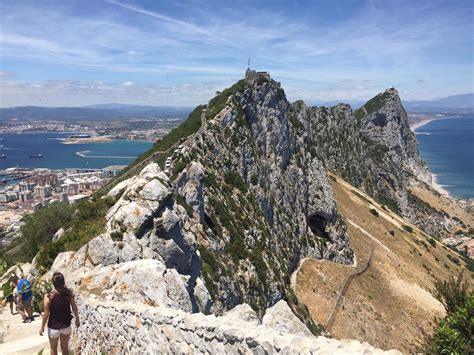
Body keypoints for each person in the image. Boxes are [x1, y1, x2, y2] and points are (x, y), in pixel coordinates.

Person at [39, 272, 80, 355]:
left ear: (53, 283)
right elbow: (74, 307)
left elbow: (46, 314)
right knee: (65, 349)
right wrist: (77, 319)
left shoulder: (48, 296)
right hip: (66, 326)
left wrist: (42, 327)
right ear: (63, 281)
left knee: (53, 348)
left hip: (53, 327)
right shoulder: (68, 294)